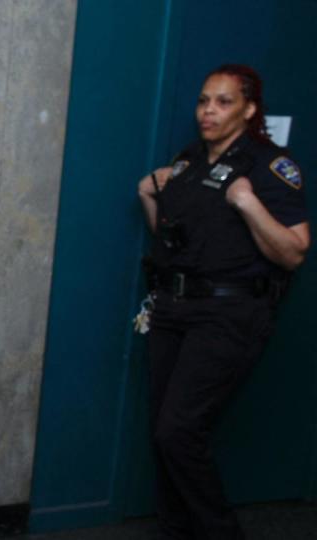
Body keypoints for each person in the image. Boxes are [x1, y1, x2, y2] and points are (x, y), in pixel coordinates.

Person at [137, 64, 309, 539]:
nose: (208, 110)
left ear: (249, 109)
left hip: (229, 313)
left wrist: (248, 203)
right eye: (203, 101)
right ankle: (176, 531)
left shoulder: (270, 165)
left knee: (179, 431)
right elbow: (175, 241)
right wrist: (149, 196)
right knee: (162, 434)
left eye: (223, 101)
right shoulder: (190, 161)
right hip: (174, 309)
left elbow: (294, 251)